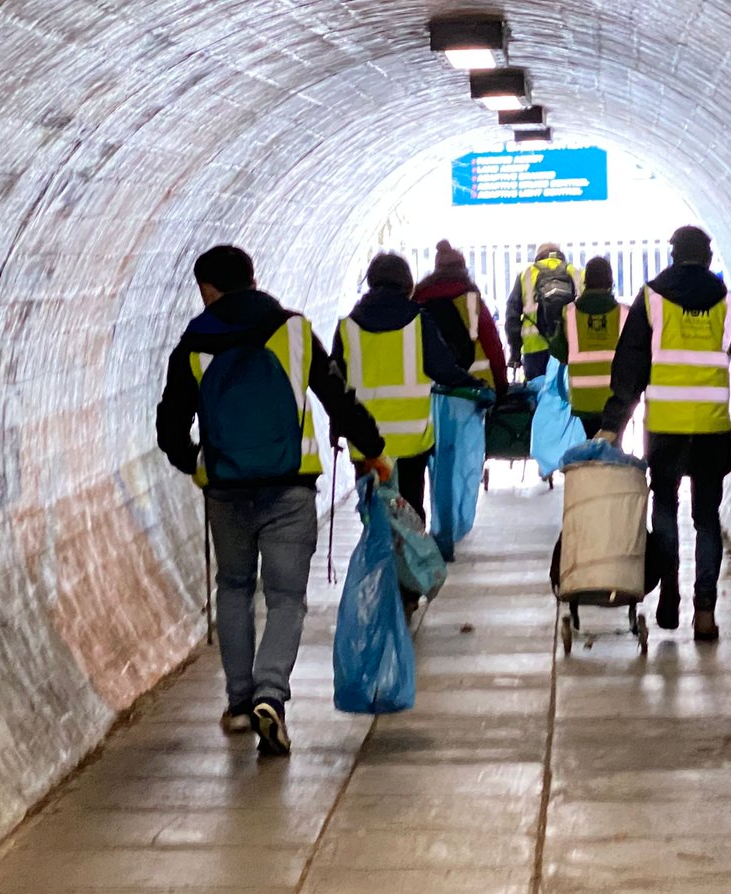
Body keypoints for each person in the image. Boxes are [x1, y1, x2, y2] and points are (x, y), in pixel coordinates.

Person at [156, 245, 388, 756]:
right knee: (285, 598)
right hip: (289, 487)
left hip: (225, 490)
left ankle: (240, 701)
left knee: (235, 588)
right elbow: (338, 399)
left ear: (206, 289)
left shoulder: (193, 344)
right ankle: (270, 695)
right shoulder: (295, 330)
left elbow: (170, 428)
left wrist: (197, 462)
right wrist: (372, 449)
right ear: (253, 278)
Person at [597, 226, 731, 641]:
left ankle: (670, 593)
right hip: (712, 431)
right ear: (709, 259)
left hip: (665, 431)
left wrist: (614, 426)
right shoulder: (729, 306)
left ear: (673, 256)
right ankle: (706, 612)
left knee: (664, 507)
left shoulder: (652, 300)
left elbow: (629, 371)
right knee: (706, 517)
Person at [330, 253, 488, 618]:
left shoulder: (348, 327)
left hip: (367, 447)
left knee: (376, 516)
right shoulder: (418, 322)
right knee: (410, 515)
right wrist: (473, 384)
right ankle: (406, 590)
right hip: (412, 441)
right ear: (406, 284)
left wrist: (337, 429)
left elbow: (335, 385)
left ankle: (381, 581)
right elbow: (444, 369)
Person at [413, 240, 509, 395]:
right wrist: (501, 386)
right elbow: (492, 346)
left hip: (431, 391)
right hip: (474, 390)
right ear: (463, 269)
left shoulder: (419, 301)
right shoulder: (471, 300)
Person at [549, 256, 626, 439]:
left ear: (585, 281)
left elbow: (558, 351)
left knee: (591, 444)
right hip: (615, 398)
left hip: (583, 398)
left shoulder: (569, 312)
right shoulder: (624, 313)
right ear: (610, 281)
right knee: (613, 447)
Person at [504, 242, 582, 379]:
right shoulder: (576, 273)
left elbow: (512, 317)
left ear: (538, 256)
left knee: (537, 394)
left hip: (535, 350)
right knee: (567, 395)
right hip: (569, 347)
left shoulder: (526, 275)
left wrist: (515, 353)